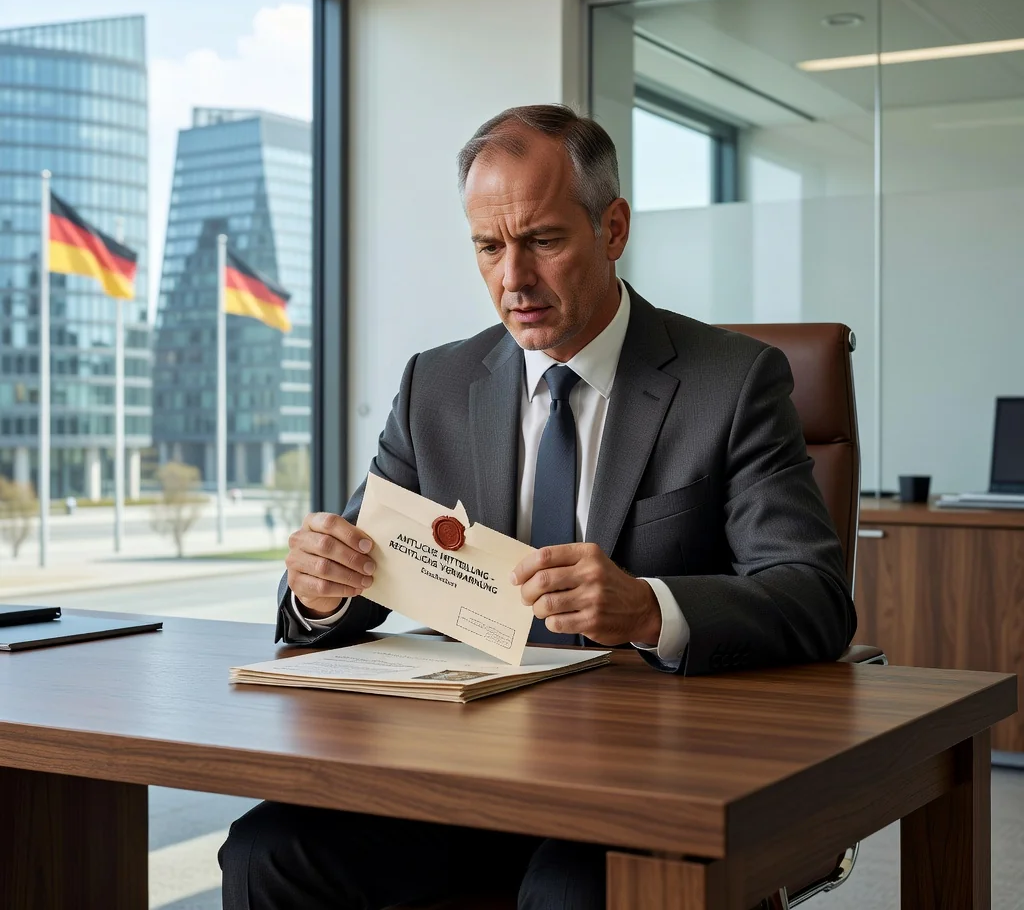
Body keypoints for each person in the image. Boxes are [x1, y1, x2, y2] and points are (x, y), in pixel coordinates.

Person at [220, 105, 856, 910]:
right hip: (466, 763)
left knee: (571, 890)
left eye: (543, 241)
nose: (511, 279)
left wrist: (650, 606)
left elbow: (815, 596)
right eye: (489, 247)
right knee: (269, 852)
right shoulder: (436, 388)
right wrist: (320, 591)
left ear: (613, 228)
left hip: (649, 774)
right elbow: (358, 578)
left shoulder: (732, 383)